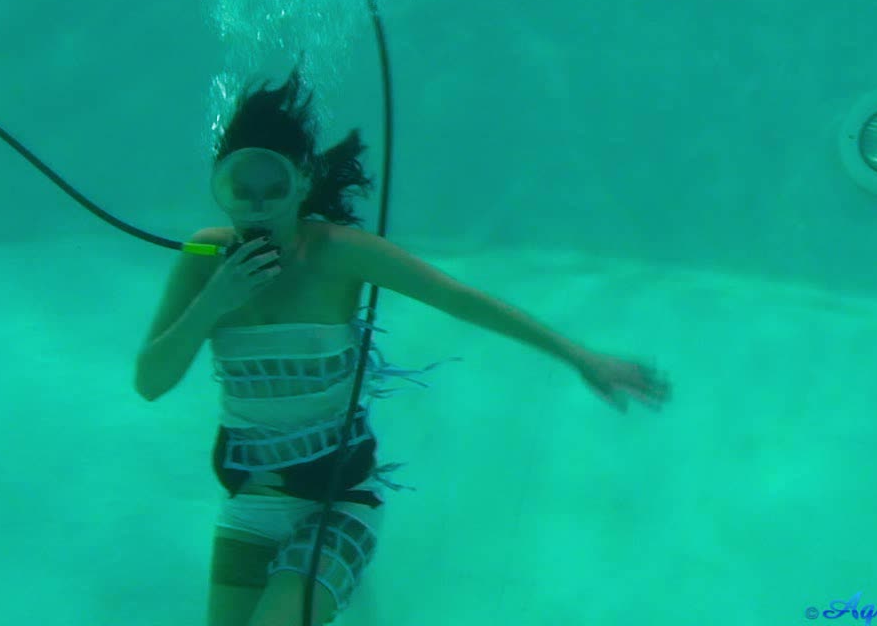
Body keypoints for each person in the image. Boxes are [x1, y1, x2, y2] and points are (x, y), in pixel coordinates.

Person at [134, 71, 672, 626]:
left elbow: (457, 298)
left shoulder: (338, 253)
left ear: (303, 183)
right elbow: (150, 382)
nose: (257, 207)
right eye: (240, 189)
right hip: (250, 501)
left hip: (339, 497)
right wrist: (212, 303)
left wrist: (580, 356)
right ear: (220, 187)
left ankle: (325, 583)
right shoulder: (204, 258)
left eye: (274, 187)